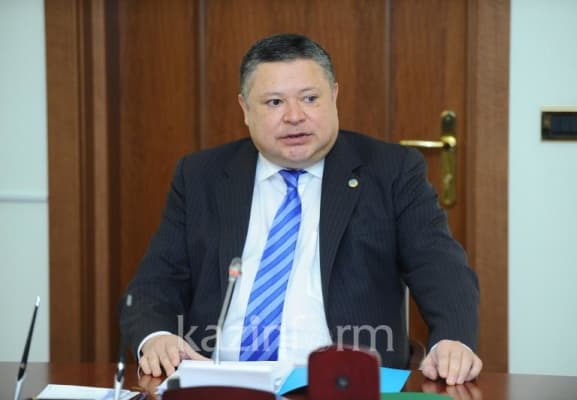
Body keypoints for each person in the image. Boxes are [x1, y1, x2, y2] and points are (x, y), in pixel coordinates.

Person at [120, 33, 482, 386]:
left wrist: (452, 340)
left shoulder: (391, 171)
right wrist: (157, 337)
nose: (294, 116)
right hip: (221, 384)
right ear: (245, 109)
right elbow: (156, 281)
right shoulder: (201, 176)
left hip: (343, 388)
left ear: (334, 96)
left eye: (310, 98)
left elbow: (439, 265)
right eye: (274, 102)